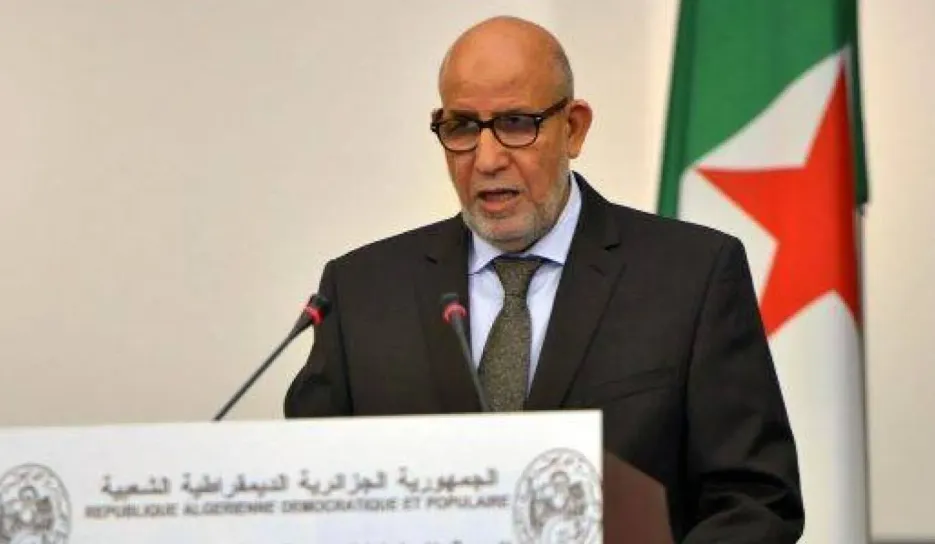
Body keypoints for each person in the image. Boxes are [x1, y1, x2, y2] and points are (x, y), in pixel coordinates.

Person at [285, 15, 804, 542]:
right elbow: (305, 498)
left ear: (573, 128)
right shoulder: (362, 293)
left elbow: (755, 501)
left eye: (516, 123)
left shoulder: (692, 275)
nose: (487, 159)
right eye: (462, 127)